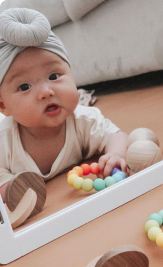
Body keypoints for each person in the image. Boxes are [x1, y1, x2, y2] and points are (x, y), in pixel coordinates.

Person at [0, 8, 128, 201]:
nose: (46, 92)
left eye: (54, 76)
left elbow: (115, 135)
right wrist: (7, 187)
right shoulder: (4, 141)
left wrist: (116, 152)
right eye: (25, 86)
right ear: (3, 106)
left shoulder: (83, 119)